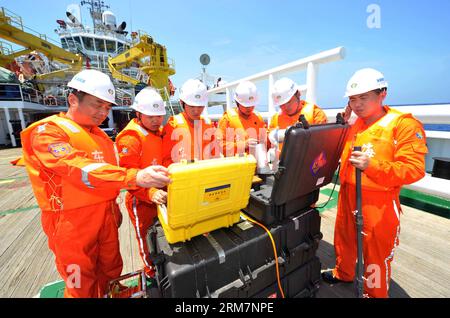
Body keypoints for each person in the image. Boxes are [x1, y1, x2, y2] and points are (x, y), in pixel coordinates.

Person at [20, 69, 171, 298]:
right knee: (80, 279)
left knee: (111, 265)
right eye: (97, 105)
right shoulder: (48, 132)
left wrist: (114, 210)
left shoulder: (100, 136)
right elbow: (74, 165)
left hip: (106, 215)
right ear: (73, 99)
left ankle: (114, 291)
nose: (103, 112)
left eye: (108, 107)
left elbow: (106, 174)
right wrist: (135, 177)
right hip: (71, 221)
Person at [321, 68, 428, 298]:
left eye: (363, 97)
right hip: (348, 191)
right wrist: (343, 121)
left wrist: (373, 165)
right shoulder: (354, 123)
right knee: (344, 237)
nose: (357, 104)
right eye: (352, 99)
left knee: (376, 255)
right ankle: (344, 272)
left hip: (379, 202)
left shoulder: (404, 125)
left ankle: (374, 293)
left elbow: (414, 169)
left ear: (383, 94)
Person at [115, 87, 167, 279]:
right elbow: (129, 174)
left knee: (162, 234)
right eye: (150, 116)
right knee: (145, 236)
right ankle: (150, 272)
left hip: (161, 195)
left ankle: (163, 266)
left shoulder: (158, 132)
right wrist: (151, 192)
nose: (156, 120)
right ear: (138, 114)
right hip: (141, 199)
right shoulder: (130, 138)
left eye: (159, 116)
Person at [162, 79, 218, 166]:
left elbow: (215, 154)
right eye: (192, 106)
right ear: (182, 103)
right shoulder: (172, 125)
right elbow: (166, 159)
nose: (196, 111)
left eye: (200, 106)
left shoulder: (208, 125)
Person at [217, 81, 267, 156]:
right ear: (237, 103)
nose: (249, 108)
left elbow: (266, 141)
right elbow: (220, 145)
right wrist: (243, 145)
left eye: (252, 105)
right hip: (236, 164)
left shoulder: (258, 118)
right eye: (246, 106)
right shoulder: (227, 119)